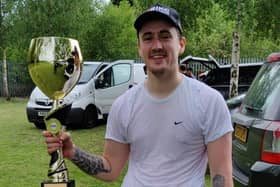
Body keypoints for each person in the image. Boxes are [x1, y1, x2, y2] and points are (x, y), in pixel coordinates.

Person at [43, 3, 233, 187]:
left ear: (181, 44)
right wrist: (72, 152)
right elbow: (111, 168)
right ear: (139, 47)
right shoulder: (123, 105)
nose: (156, 45)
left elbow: (221, 177)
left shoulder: (209, 102)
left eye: (165, 36)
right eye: (148, 38)